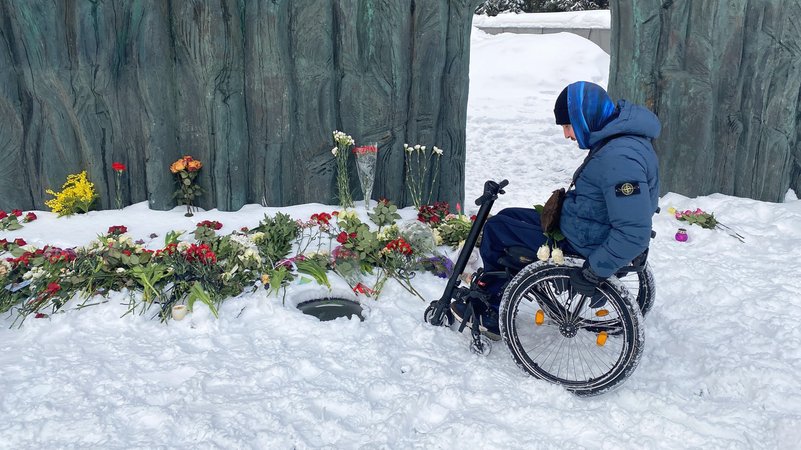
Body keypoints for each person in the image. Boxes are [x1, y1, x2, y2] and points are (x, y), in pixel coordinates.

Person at [451, 81, 661, 339]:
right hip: (588, 226)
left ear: (585, 117)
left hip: (586, 244)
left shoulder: (620, 159)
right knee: (508, 217)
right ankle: (498, 289)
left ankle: (490, 310)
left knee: (497, 230)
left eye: (567, 125)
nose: (567, 135)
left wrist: (594, 271)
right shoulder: (623, 140)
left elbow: (634, 232)